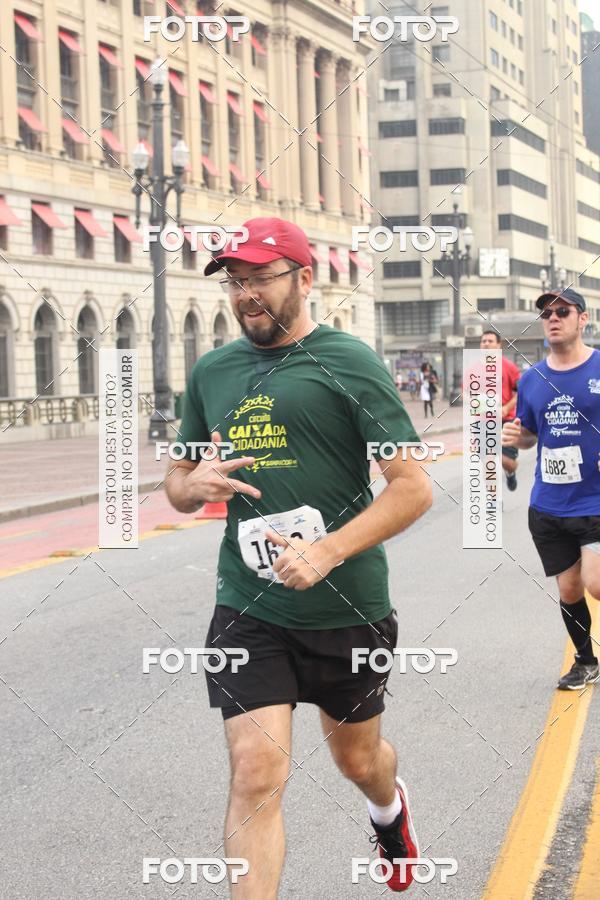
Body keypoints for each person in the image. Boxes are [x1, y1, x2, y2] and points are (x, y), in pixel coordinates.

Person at [165, 217, 432, 896]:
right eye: (236, 280)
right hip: (249, 605)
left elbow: (413, 490)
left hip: (347, 606)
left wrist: (329, 551)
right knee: (256, 770)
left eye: (259, 278)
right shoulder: (211, 372)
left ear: (304, 279)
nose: (245, 293)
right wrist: (190, 487)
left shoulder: (349, 363)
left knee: (358, 757)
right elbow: (178, 481)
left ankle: (388, 810)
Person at [502, 288, 600, 690]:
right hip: (549, 504)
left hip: (595, 500)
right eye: (546, 312)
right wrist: (517, 435)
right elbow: (529, 437)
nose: (553, 317)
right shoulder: (531, 379)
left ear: (583, 318)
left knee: (596, 582)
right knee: (569, 587)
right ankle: (586, 660)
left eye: (563, 310)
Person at [480, 329, 521, 491]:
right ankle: (493, 500)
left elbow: (519, 392)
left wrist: (506, 408)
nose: (486, 344)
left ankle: (510, 473)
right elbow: (466, 393)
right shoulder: (474, 368)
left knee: (506, 461)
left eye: (490, 341)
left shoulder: (509, 367)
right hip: (483, 421)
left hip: (506, 420)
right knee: (489, 461)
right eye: (483, 341)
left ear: (498, 345)